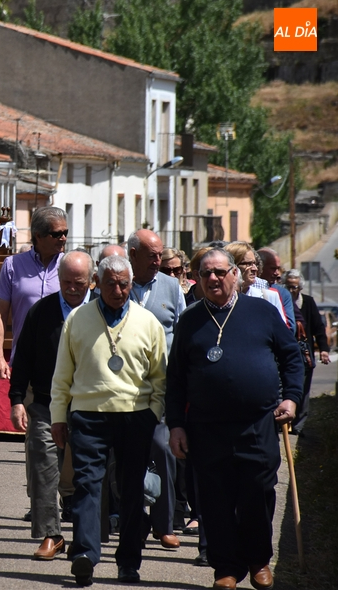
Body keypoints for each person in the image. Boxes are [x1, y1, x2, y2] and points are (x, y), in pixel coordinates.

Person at [167, 248, 304, 590]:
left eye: (219, 272)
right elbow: (176, 379)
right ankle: (225, 568)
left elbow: (291, 357)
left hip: (256, 424)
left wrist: (292, 397)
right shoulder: (190, 319)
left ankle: (258, 560)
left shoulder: (261, 311)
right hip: (206, 427)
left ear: (235, 275)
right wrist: (176, 425)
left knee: (257, 492)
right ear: (197, 280)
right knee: (215, 499)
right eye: (205, 273)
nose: (212, 278)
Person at [50, 255, 167, 586]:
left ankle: (128, 561)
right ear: (96, 284)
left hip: (136, 416)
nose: (118, 290)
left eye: (124, 284)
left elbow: (160, 377)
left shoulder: (148, 322)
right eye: (111, 284)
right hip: (88, 415)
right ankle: (85, 554)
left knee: (132, 491)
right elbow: (62, 375)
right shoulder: (77, 319)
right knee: (87, 484)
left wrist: (154, 413)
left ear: (131, 284)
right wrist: (59, 417)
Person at [10, 251, 93, 560]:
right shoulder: (41, 311)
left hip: (90, 404)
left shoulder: (100, 311)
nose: (72, 288)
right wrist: (17, 400)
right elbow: (24, 360)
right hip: (46, 403)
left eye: (79, 282)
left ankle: (85, 537)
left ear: (91, 281)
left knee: (88, 471)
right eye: (67, 281)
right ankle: (51, 534)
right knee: (43, 464)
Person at [126, 230, 184, 550]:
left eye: (160, 254)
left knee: (163, 450)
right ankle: (130, 519)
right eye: (151, 255)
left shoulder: (171, 286)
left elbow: (184, 332)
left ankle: (164, 524)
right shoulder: (117, 283)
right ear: (132, 254)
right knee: (127, 455)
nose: (158, 261)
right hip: (124, 390)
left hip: (161, 389)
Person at [0, 206, 68, 380]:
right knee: (22, 407)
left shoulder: (70, 266)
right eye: (56, 234)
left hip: (65, 362)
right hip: (25, 361)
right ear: (38, 236)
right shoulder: (12, 265)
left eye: (65, 232)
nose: (63, 238)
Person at [284, 269, 330, 435]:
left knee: (303, 389)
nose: (291, 291)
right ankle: (286, 421)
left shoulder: (308, 302)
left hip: (304, 352)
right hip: (286, 351)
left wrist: (323, 350)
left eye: (294, 287)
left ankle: (299, 425)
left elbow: (318, 328)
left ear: (300, 288)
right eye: (288, 286)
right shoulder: (281, 300)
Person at [257, 247, 296, 333]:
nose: (277, 273)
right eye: (272, 268)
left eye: (278, 269)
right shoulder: (245, 289)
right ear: (260, 267)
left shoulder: (283, 294)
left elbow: (290, 328)